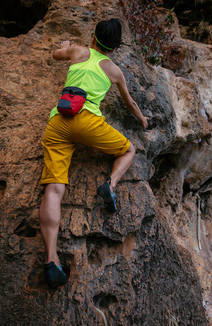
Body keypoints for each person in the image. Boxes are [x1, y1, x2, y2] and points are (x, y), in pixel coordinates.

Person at [39, 19, 148, 288]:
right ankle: (110, 185)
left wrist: (65, 46)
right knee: (128, 149)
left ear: (93, 38)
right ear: (114, 48)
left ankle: (52, 260)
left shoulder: (78, 52)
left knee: (53, 189)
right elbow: (130, 102)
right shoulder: (114, 70)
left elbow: (56, 54)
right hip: (89, 123)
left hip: (59, 122)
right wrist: (142, 119)